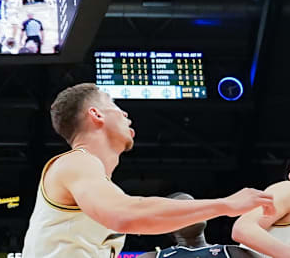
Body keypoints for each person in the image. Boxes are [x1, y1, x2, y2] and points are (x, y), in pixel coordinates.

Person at [22, 83, 275, 258]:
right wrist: (225, 205)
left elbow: (135, 215)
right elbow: (125, 214)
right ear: (96, 114)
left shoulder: (96, 181)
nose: (125, 113)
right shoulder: (77, 162)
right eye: (114, 105)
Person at [139, 193, 261, 258]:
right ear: (169, 226)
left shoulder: (235, 253)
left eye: (194, 205)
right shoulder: (152, 257)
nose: (192, 211)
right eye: (183, 208)